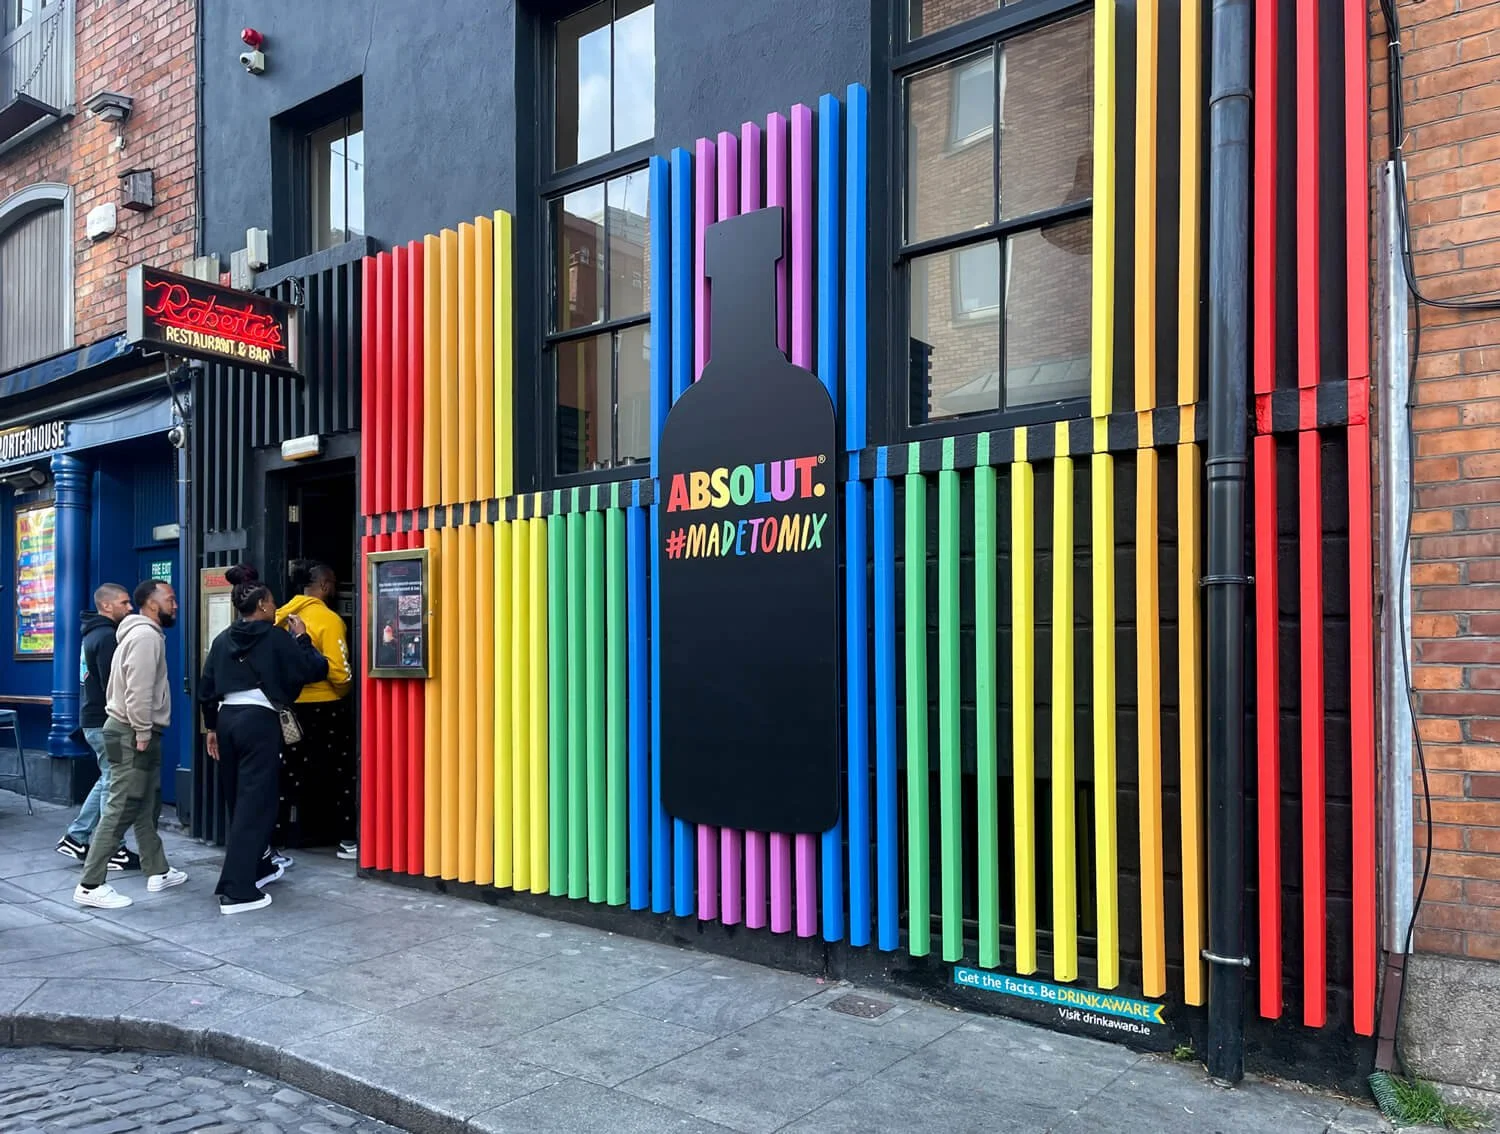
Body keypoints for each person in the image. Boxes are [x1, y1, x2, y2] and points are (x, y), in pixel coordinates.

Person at [199, 565, 328, 914]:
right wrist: (303, 638)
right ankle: (237, 891)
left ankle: (254, 869)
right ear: (262, 606)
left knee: (238, 800)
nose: (275, 607)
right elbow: (313, 670)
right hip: (259, 721)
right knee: (257, 803)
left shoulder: (223, 638)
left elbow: (207, 687)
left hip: (227, 720)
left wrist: (211, 726)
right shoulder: (275, 637)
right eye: (271, 601)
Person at [73, 580, 187, 909]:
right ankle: (91, 883)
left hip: (126, 729)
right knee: (121, 806)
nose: (175, 605)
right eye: (171, 599)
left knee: (145, 803)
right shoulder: (146, 636)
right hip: (130, 732)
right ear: (152, 604)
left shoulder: (140, 634)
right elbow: (138, 688)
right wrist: (142, 731)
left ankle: (157, 869)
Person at [55, 584, 140, 871]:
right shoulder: (106, 637)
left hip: (93, 721)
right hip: (106, 722)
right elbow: (113, 686)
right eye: (124, 603)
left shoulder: (92, 634)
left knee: (107, 778)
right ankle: (113, 848)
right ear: (107, 606)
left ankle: (77, 837)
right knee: (114, 783)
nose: (130, 608)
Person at [275, 560, 356, 858]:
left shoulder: (279, 616)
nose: (334, 589)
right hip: (325, 706)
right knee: (339, 772)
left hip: (289, 709)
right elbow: (340, 672)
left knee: (289, 772)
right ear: (323, 585)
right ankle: (347, 839)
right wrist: (344, 693)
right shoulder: (329, 619)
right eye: (333, 583)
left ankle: (282, 838)